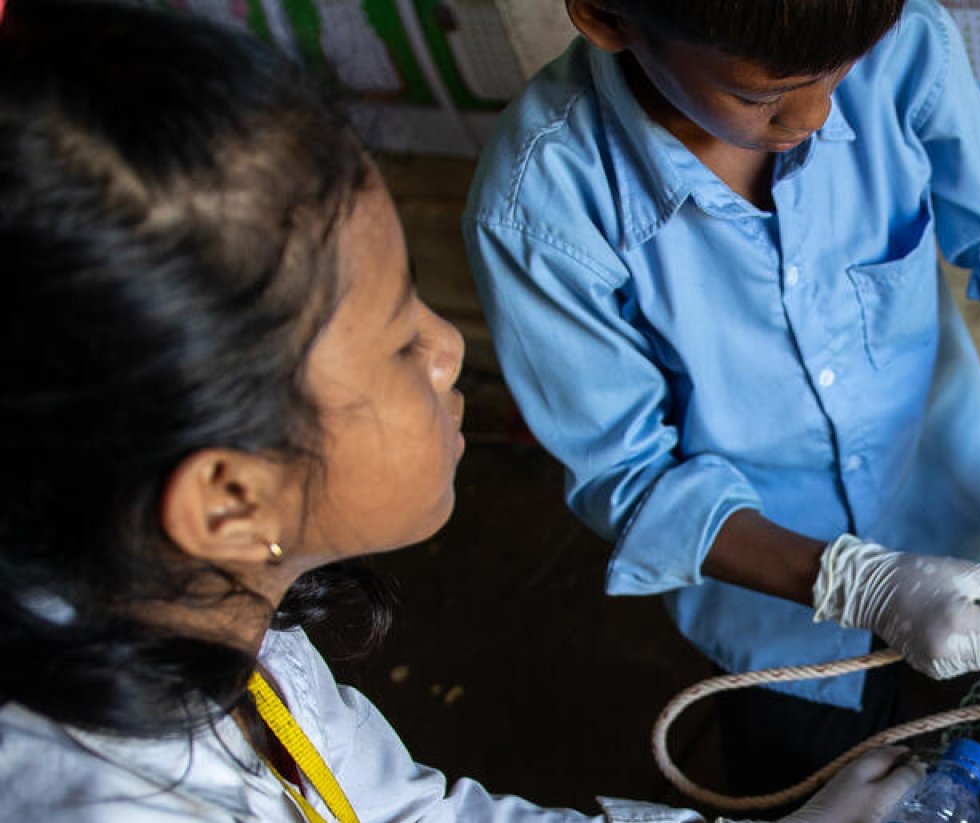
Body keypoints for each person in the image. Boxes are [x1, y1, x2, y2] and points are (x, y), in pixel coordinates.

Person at [0, 3, 920, 820]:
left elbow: (404, 813)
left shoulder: (224, 635)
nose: (450, 350)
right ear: (230, 502)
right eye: (400, 340)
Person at [464, 0, 980, 795]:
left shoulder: (903, 44)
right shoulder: (542, 206)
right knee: (830, 797)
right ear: (607, 19)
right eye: (762, 95)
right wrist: (860, 585)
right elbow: (632, 479)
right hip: (783, 618)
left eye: (840, 73)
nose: (814, 116)